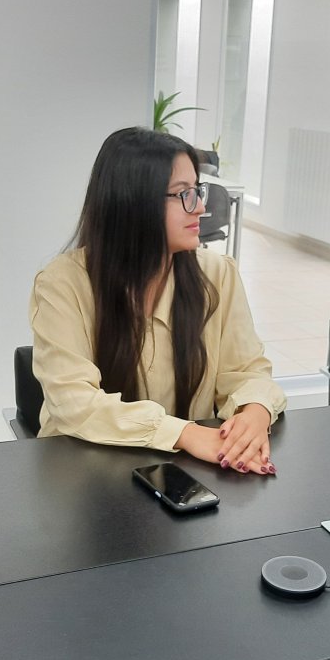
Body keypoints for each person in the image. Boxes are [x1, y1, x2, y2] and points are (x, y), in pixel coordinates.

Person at [31, 127, 285, 475]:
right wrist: (185, 434)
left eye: (197, 190)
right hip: (80, 474)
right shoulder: (63, 282)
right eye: (183, 194)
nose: (201, 208)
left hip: (181, 471)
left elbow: (247, 371)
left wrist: (255, 410)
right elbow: (74, 402)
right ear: (133, 203)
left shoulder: (217, 274)